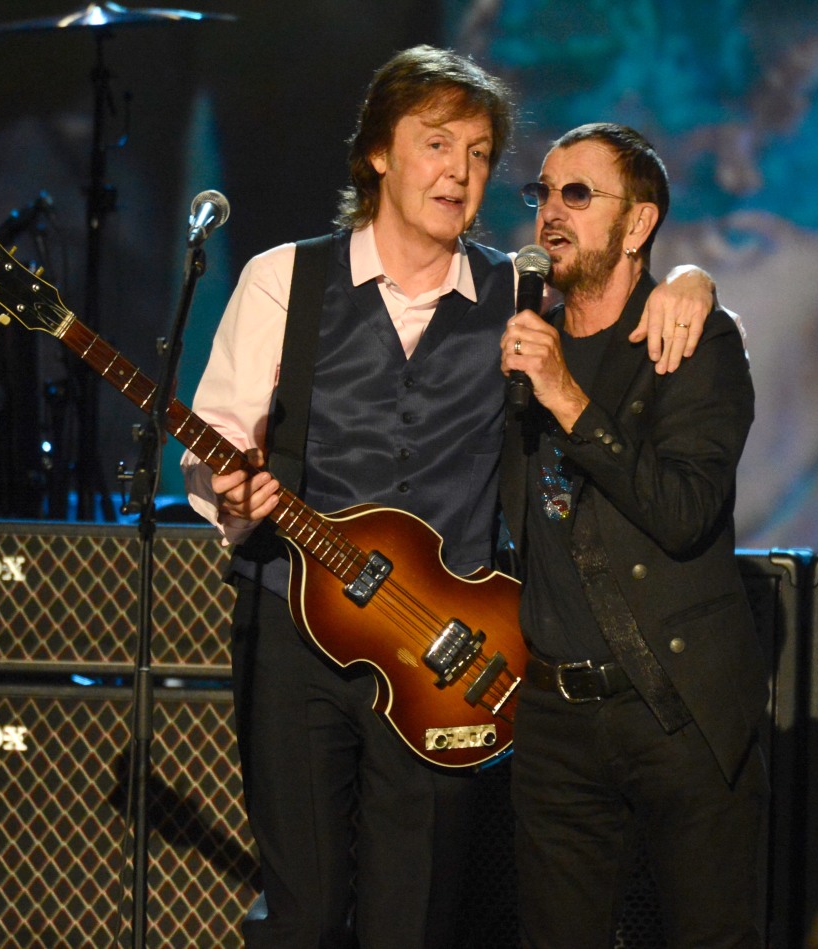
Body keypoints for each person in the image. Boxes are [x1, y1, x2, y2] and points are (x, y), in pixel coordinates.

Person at [182, 49, 718, 948]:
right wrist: (229, 488)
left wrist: (698, 282)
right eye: (437, 145)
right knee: (303, 912)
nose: (461, 173)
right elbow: (219, 443)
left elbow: (629, 299)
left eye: (478, 154)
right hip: (296, 628)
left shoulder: (519, 289)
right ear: (379, 155)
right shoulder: (284, 279)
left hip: (449, 652)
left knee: (419, 917)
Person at [498, 122, 769, 948]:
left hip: (674, 707)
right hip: (552, 719)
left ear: (640, 222)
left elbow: (685, 511)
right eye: (542, 192)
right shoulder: (515, 331)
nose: (552, 211)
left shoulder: (692, 342)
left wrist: (567, 396)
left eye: (578, 193)